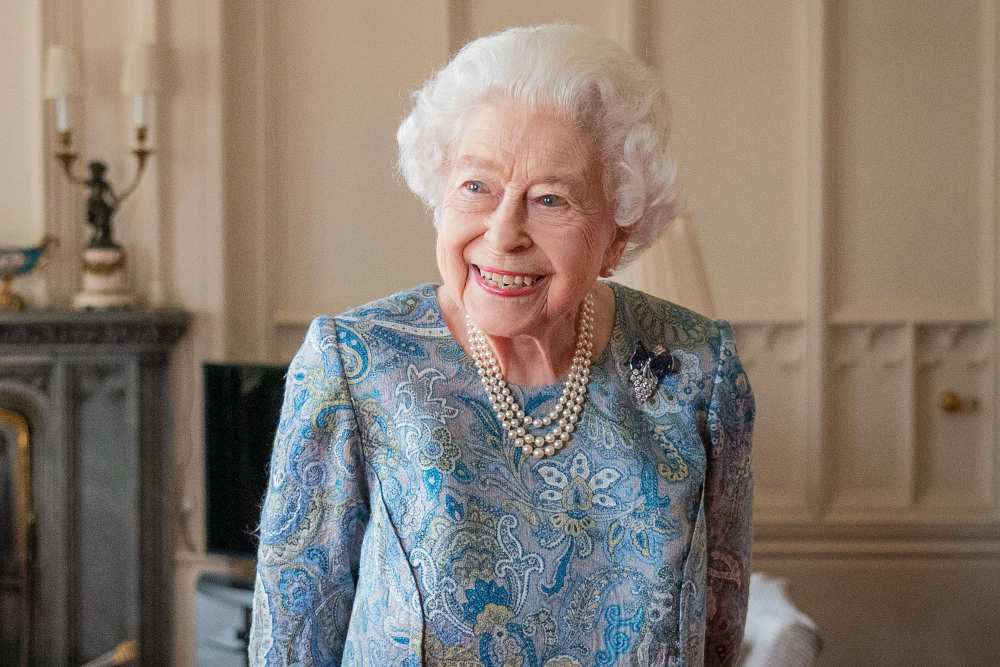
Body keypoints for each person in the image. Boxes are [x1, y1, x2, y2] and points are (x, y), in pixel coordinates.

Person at [249, 24, 754, 666]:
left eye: (551, 199)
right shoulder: (357, 364)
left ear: (618, 233)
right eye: (476, 187)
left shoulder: (696, 367)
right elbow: (293, 637)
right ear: (439, 196)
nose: (504, 232)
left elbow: (719, 627)